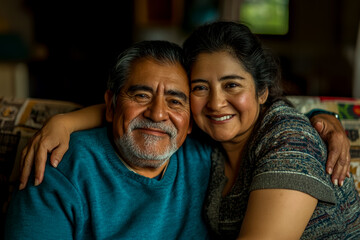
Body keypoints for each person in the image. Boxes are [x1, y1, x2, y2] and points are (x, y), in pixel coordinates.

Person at [10, 22, 358, 239]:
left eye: (232, 85)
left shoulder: (279, 141)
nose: (216, 103)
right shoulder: (59, 167)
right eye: (201, 88)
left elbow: (292, 132)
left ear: (262, 92)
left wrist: (323, 122)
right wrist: (63, 121)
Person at [5, 41, 213, 239]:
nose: (157, 114)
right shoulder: (59, 165)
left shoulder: (210, 159)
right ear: (111, 107)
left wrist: (66, 121)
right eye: (142, 96)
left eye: (175, 101)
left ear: (191, 121)